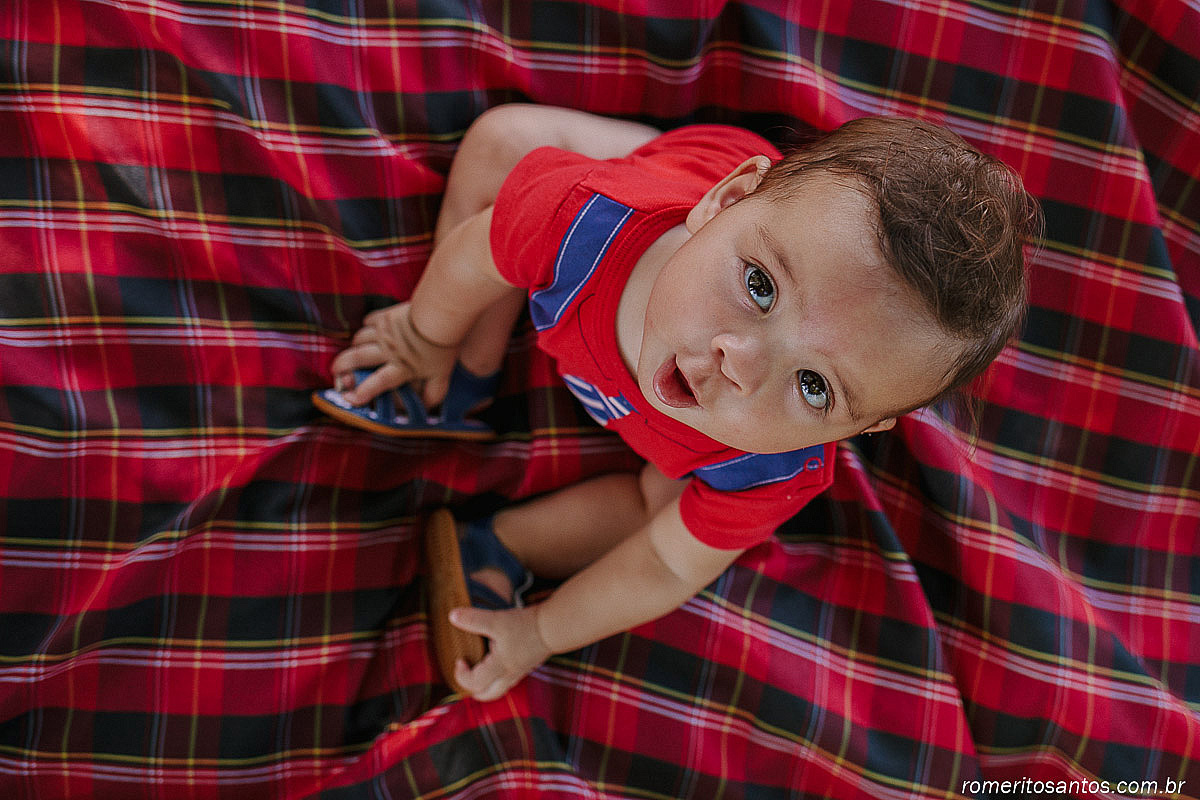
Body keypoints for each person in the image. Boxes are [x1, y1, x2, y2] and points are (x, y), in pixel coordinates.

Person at [316, 104, 1040, 701]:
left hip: (675, 418)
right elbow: (479, 253)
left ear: (861, 427)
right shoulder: (584, 224)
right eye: (759, 286)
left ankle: (506, 544)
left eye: (815, 386)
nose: (739, 363)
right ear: (726, 202)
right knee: (500, 142)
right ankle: (467, 369)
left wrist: (542, 630)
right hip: (673, 166)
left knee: (668, 520)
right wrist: (423, 333)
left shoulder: (770, 466)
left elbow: (665, 565)